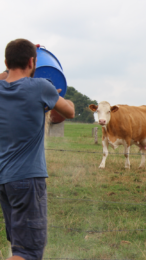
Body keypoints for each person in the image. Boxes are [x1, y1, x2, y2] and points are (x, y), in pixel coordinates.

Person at [0, 39, 75, 260]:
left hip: (4, 180)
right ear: (32, 62)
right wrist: (54, 95)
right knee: (28, 252)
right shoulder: (41, 87)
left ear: (6, 62)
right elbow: (69, 111)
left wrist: (10, 69)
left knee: (18, 246)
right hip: (27, 179)